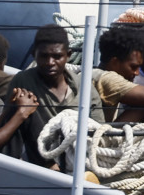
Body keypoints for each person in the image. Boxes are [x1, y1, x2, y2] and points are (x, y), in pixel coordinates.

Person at [8, 24, 105, 167]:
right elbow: (10, 125)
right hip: (39, 163)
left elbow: (100, 133)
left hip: (79, 162)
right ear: (34, 54)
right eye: (44, 56)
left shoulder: (85, 90)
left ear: (68, 55)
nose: (50, 63)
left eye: (57, 56)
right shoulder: (23, 81)